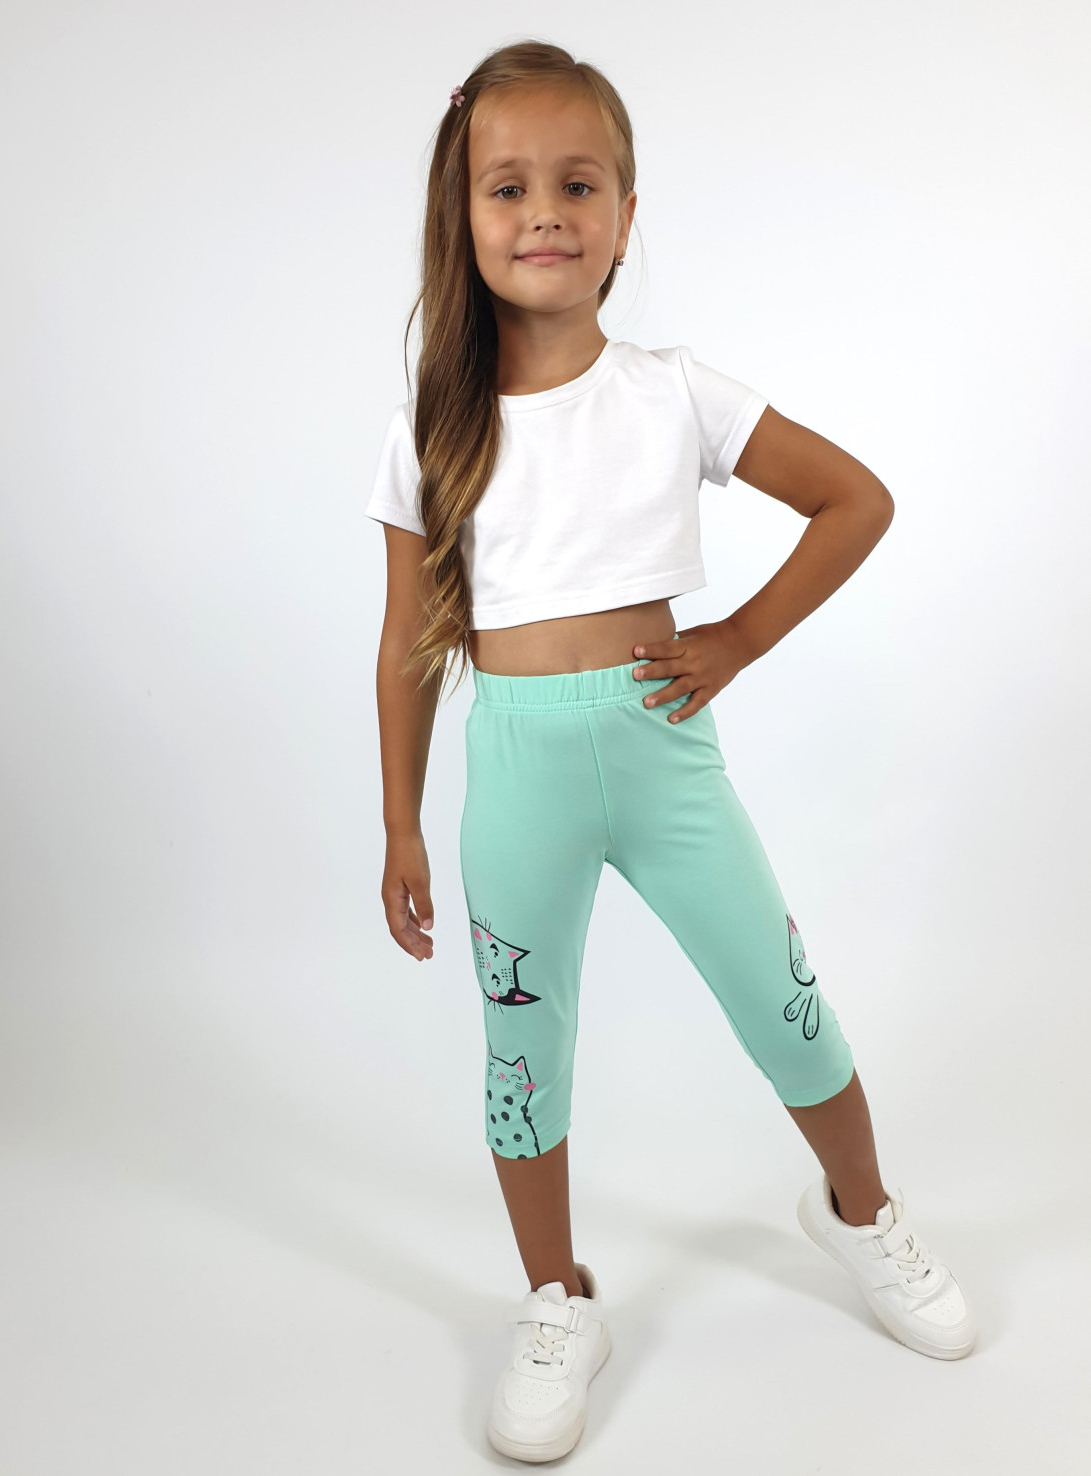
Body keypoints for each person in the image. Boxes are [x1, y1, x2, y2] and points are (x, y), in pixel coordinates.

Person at [365, 39, 977, 1465]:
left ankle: (862, 1214)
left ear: (626, 215)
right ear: (463, 217)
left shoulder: (672, 391)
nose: (544, 212)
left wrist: (737, 639)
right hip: (515, 772)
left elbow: (855, 501)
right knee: (523, 1051)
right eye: (507, 187)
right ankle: (556, 1299)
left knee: (780, 998)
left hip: (663, 752)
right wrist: (398, 820)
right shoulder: (430, 433)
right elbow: (404, 643)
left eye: (578, 184)